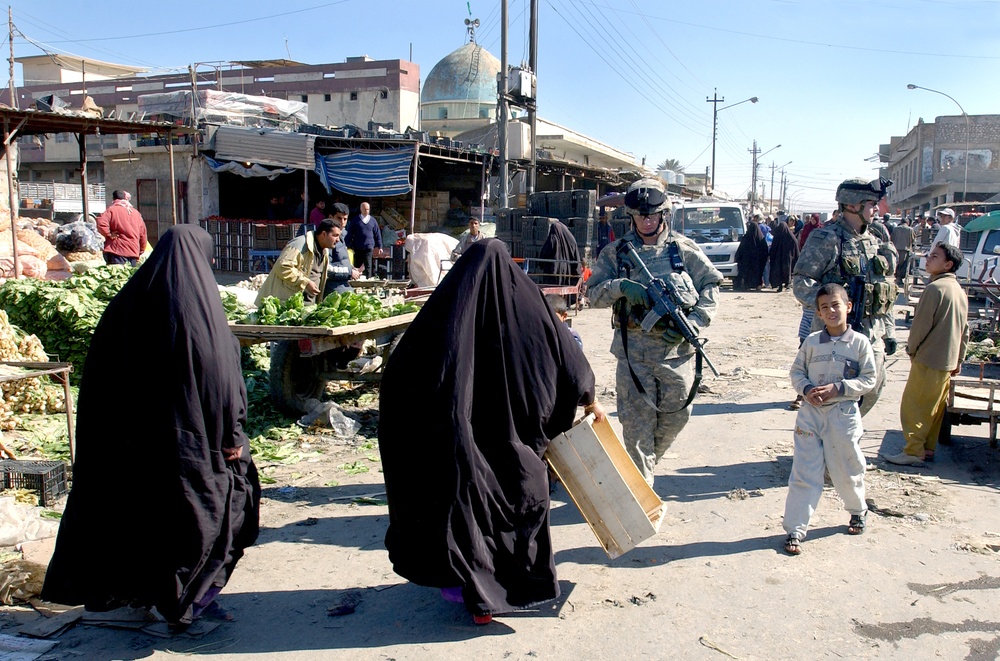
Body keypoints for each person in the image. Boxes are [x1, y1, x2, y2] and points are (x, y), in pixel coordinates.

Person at [41, 225, 260, 626]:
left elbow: (100, 379)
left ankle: (138, 597)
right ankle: (184, 603)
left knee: (134, 518)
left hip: (128, 448)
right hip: (190, 447)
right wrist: (233, 437)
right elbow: (221, 380)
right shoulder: (202, 315)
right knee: (210, 513)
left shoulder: (126, 305)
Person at [378, 239, 605, 625]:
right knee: (518, 504)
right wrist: (589, 401)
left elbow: (399, 376)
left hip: (461, 447)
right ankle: (510, 590)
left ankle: (472, 595)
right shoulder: (533, 311)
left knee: (466, 509)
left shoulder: (444, 315)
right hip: (517, 446)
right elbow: (571, 362)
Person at [586, 178, 723, 485]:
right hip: (632, 356)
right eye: (638, 216)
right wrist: (619, 287)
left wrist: (697, 322)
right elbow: (592, 295)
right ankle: (639, 489)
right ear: (631, 216)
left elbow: (712, 285)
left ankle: (641, 467)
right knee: (636, 430)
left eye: (651, 215)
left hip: (675, 356)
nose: (645, 222)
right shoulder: (616, 254)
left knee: (677, 417)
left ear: (664, 214)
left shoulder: (683, 251)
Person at [783, 283, 876, 555]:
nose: (831, 311)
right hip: (810, 416)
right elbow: (796, 373)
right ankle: (795, 530)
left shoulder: (860, 343)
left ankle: (858, 510)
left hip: (842, 416)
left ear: (848, 307)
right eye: (825, 307)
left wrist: (840, 388)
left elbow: (869, 379)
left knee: (846, 467)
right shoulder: (811, 342)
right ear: (819, 314)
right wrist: (807, 390)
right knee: (804, 471)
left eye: (836, 305)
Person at [792, 177, 898, 417]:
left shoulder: (875, 239)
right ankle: (829, 442)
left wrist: (889, 331)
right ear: (852, 206)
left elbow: (882, 290)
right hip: (834, 336)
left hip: (871, 332)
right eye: (870, 204)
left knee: (873, 386)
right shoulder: (827, 239)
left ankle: (844, 435)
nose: (876, 210)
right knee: (830, 396)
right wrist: (831, 308)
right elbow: (801, 283)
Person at [886, 244, 969, 466]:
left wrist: (911, 349)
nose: (928, 259)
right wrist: (959, 359)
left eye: (934, 256)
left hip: (928, 358)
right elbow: (965, 331)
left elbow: (920, 326)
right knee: (934, 408)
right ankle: (927, 449)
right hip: (947, 360)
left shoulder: (935, 290)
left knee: (914, 407)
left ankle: (913, 451)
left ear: (948, 264)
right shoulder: (959, 291)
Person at [255, 217, 338, 306]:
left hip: (307, 305)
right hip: (286, 304)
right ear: (324, 234)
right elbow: (282, 267)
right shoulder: (300, 245)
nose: (338, 239)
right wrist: (305, 282)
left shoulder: (324, 251)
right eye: (335, 235)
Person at [96, 189, 147, 266]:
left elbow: (101, 222)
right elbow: (143, 234)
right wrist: (141, 250)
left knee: (117, 275)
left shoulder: (111, 210)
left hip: (117, 251)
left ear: (113, 199)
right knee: (130, 276)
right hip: (133, 251)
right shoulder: (136, 213)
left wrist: (109, 234)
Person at [324, 203, 361, 296]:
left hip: (345, 288)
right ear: (330, 217)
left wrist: (351, 267)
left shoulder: (344, 236)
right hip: (333, 292)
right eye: (339, 218)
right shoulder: (326, 239)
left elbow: (341, 261)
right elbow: (327, 269)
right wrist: (350, 272)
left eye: (345, 219)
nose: (342, 222)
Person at [345, 201, 382, 275]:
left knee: (368, 265)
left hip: (369, 247)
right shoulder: (355, 220)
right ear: (361, 209)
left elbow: (377, 234)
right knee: (357, 266)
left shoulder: (373, 221)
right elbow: (350, 234)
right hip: (358, 247)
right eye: (365, 209)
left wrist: (379, 246)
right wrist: (346, 244)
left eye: (368, 209)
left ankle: (368, 282)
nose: (366, 211)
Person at [734, 214, 768, 291]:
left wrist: (737, 257)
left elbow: (740, 250)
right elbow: (765, 250)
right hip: (757, 262)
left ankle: (747, 285)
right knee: (757, 272)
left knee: (747, 272)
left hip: (747, 261)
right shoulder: (760, 238)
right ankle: (757, 285)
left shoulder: (746, 238)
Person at [768, 220, 800, 293]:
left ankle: (783, 285)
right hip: (787, 258)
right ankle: (785, 285)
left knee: (781, 271)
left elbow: (773, 248)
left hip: (780, 258)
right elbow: (795, 245)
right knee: (786, 271)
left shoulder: (778, 236)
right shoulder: (790, 236)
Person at [891, 218, 916, 286]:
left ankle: (897, 277)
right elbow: (913, 239)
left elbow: (892, 238)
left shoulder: (895, 229)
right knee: (903, 264)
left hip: (896, 248)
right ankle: (899, 278)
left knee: (896, 263)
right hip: (905, 249)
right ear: (907, 223)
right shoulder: (910, 229)